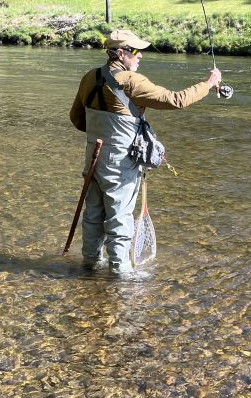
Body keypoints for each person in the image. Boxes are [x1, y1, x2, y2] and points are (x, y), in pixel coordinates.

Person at [69, 29, 222, 270]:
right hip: (119, 164)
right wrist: (208, 84)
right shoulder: (131, 81)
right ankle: (121, 274)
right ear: (121, 54)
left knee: (93, 216)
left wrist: (103, 132)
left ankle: (90, 265)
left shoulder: (89, 77)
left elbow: (77, 119)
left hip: (93, 158)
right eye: (136, 51)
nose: (140, 56)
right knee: (120, 218)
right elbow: (176, 100)